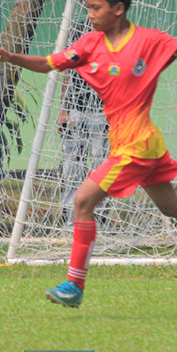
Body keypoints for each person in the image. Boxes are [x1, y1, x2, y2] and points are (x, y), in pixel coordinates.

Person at [0, 0, 177, 308]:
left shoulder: (150, 41)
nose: (90, 14)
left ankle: (74, 285)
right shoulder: (89, 44)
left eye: (95, 8)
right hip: (136, 146)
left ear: (119, 9)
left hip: (137, 145)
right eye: (88, 8)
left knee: (83, 201)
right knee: (174, 207)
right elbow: (48, 63)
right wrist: (11, 57)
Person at [58, 19, 109, 227]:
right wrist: (62, 109)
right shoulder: (76, 30)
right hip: (75, 111)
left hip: (101, 112)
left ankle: (100, 220)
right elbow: (67, 71)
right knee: (72, 168)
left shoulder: (111, 34)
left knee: (101, 168)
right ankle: (72, 220)